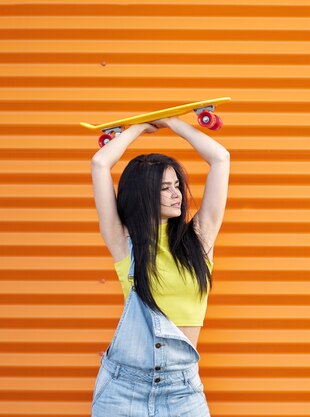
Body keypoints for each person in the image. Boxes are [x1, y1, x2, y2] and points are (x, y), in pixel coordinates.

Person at [89, 116, 230, 416]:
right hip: (123, 388)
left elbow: (220, 158)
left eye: (177, 185)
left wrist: (171, 123)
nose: (176, 194)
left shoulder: (200, 238)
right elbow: (100, 164)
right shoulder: (124, 241)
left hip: (183, 389)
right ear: (143, 194)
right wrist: (139, 129)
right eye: (164, 188)